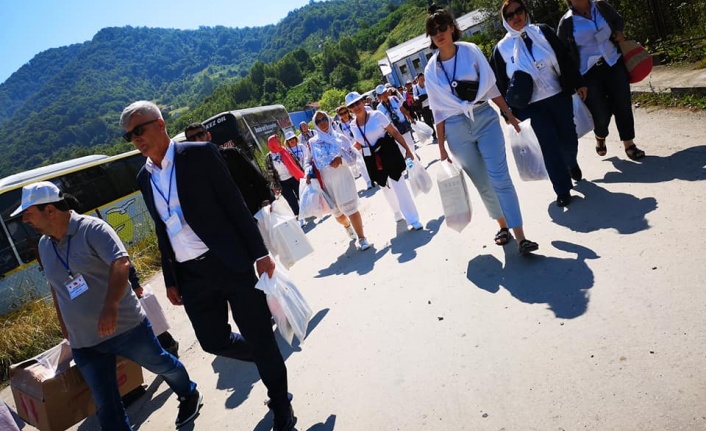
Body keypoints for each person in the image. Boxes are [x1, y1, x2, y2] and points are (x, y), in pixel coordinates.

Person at [121, 101, 296, 431]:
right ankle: (265, 356)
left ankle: (280, 401)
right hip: (192, 276)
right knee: (212, 341)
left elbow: (233, 202)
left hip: (230, 262)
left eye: (139, 130)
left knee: (258, 332)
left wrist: (259, 253)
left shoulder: (198, 155)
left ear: (159, 124)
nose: (135, 139)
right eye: (129, 136)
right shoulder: (144, 177)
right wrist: (171, 278)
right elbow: (162, 228)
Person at [12, 181, 202, 430]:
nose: (26, 221)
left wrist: (110, 307)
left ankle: (188, 393)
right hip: (84, 343)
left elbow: (120, 263)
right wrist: (64, 325)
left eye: (29, 214)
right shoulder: (44, 246)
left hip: (125, 327)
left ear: (50, 210)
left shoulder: (92, 229)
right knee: (106, 403)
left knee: (161, 364)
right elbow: (56, 287)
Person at [423, 4, 539, 255]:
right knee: (483, 183)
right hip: (455, 129)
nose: (439, 33)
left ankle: (521, 237)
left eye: (443, 27)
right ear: (430, 37)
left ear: (452, 28)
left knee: (500, 178)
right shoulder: (431, 69)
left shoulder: (470, 51)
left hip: (484, 117)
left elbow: (490, 86)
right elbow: (438, 111)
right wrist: (441, 147)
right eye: (434, 31)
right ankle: (502, 225)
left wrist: (508, 114)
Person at [490, 0, 587, 207]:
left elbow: (564, 56)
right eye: (510, 15)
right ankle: (562, 190)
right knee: (549, 146)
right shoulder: (502, 49)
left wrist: (578, 82)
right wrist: (507, 113)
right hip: (530, 107)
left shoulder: (542, 31)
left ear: (525, 12)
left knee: (569, 138)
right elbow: (499, 84)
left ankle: (571, 162)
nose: (516, 17)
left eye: (519, 11)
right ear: (504, 20)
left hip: (558, 96)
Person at [557, 0, 645, 160]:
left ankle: (629, 144)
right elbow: (563, 55)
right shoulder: (566, 22)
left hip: (613, 62)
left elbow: (618, 19)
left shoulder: (600, 6)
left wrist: (619, 31)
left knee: (623, 104)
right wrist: (576, 82)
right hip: (588, 73)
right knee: (601, 112)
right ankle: (600, 136)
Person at [346, 91, 424, 231]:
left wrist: (407, 150)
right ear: (349, 109)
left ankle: (412, 218)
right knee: (385, 187)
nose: (356, 107)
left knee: (399, 184)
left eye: (357, 102)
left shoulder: (377, 115)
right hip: (372, 158)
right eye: (352, 105)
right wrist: (348, 151)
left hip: (388, 151)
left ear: (363, 102)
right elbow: (359, 142)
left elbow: (394, 132)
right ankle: (396, 212)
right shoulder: (353, 125)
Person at [307, 110, 371, 250]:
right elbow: (308, 162)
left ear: (329, 119)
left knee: (351, 209)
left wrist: (340, 160)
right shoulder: (312, 143)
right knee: (339, 215)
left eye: (324, 119)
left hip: (343, 177)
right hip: (327, 183)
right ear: (315, 125)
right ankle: (347, 226)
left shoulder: (341, 138)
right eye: (318, 121)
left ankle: (362, 238)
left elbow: (353, 159)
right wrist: (307, 173)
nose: (322, 123)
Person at [184, 123, 274, 215]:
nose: (197, 140)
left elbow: (256, 178)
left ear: (208, 135)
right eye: (192, 138)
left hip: (255, 210)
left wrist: (266, 199)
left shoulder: (231, 154)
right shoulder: (194, 170)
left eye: (200, 134)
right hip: (229, 218)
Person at [265, 134, 306, 218]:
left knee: (301, 195)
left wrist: (302, 172)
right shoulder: (269, 157)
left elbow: (295, 162)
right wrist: (274, 186)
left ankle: (306, 212)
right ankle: (299, 215)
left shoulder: (284, 150)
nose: (279, 142)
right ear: (272, 144)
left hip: (294, 177)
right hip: (282, 182)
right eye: (277, 141)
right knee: (291, 200)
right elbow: (270, 173)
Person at [336, 105, 374, 190]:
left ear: (348, 111)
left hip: (363, 144)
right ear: (339, 115)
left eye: (345, 112)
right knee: (360, 164)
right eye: (341, 114)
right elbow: (341, 140)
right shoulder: (340, 127)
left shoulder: (355, 119)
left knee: (369, 160)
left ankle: (373, 177)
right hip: (353, 148)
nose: (344, 115)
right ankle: (368, 181)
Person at [375, 84, 416, 155]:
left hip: (403, 125)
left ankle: (415, 160)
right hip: (394, 130)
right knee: (402, 149)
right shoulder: (379, 108)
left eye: (385, 92)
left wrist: (411, 118)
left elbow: (402, 109)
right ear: (379, 96)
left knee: (411, 144)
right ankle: (411, 163)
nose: (385, 95)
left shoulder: (394, 98)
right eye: (382, 94)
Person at [413, 73, 437, 140]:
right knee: (428, 122)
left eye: (423, 78)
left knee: (436, 119)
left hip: (431, 105)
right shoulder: (416, 87)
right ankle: (434, 135)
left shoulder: (427, 84)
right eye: (421, 79)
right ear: (418, 79)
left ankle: (441, 132)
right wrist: (417, 98)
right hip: (423, 107)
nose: (423, 80)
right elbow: (414, 96)